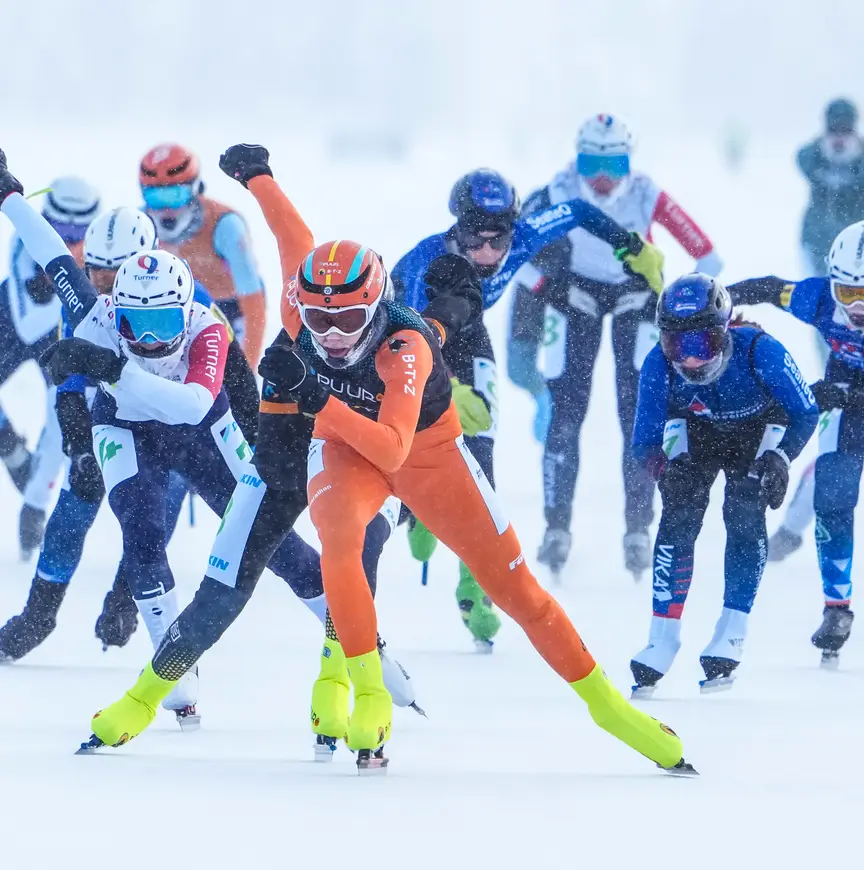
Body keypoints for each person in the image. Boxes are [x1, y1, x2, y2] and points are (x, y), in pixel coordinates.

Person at [0, 153, 343, 726]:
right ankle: (160, 663)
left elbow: (210, 399)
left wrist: (270, 447)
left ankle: (347, 626)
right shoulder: (94, 308)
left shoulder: (203, 318)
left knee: (266, 541)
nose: (150, 336)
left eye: (164, 322)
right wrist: (9, 194)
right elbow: (52, 259)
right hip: (122, 427)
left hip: (195, 429)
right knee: (132, 532)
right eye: (100, 278)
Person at [392, 163, 667, 642]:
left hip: (468, 331)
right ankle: (419, 510)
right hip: (412, 341)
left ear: (513, 231)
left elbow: (578, 210)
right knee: (432, 437)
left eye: (497, 240)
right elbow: (406, 337)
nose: (486, 253)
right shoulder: (426, 262)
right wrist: (445, 386)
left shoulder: (526, 236)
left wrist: (629, 245)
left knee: (480, 456)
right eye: (474, 240)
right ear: (456, 230)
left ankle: (474, 589)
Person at [0, 207, 258, 662]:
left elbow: (236, 374)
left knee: (155, 510)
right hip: (114, 419)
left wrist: (255, 440)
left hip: (176, 429)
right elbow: (70, 387)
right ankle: (39, 615)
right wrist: (80, 446)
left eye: (114, 274)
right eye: (94, 273)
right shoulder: (87, 304)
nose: (103, 287)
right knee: (75, 504)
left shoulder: (190, 296)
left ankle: (125, 599)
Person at [508, 114, 722, 580]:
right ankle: (556, 527)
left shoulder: (646, 193)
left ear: (631, 161)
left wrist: (679, 300)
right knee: (566, 414)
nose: (603, 178)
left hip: (635, 299)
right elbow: (510, 252)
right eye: (591, 163)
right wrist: (547, 287)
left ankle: (638, 528)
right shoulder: (559, 190)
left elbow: (709, 257)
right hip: (575, 298)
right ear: (576, 160)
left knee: (637, 414)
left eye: (615, 164)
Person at [629, 275, 817, 695]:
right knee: (679, 511)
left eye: (703, 344)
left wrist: (781, 457)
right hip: (694, 428)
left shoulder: (761, 351)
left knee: (744, 508)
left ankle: (732, 631)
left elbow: (805, 412)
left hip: (760, 428)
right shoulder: (658, 365)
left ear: (726, 330)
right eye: (676, 345)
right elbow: (643, 442)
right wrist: (663, 470)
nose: (690, 360)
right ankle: (662, 636)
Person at [727, 219, 864, 666]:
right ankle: (836, 607)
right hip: (846, 400)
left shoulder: (830, 299)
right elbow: (771, 288)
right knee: (833, 492)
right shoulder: (818, 298)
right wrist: (721, 300)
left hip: (846, 393)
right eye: (849, 292)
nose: (858, 306)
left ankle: (791, 532)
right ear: (832, 284)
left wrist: (844, 393)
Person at [0, 177, 101, 558]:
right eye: (57, 231)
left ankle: (36, 504)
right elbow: (27, 325)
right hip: (14, 323)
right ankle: (9, 445)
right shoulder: (22, 242)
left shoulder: (100, 257)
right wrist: (66, 284)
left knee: (63, 419)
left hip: (60, 335)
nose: (68, 242)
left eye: (78, 235)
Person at [139, 143, 267, 366]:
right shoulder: (138, 224)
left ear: (195, 189)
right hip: (172, 312)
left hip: (229, 310)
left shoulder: (226, 226)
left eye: (175, 195)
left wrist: (248, 368)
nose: (166, 209)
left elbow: (254, 306)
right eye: (155, 197)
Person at [798, 99, 864, 277]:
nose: (839, 138)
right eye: (833, 129)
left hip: (858, 246)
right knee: (819, 289)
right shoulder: (815, 158)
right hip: (817, 243)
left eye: (846, 130)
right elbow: (802, 157)